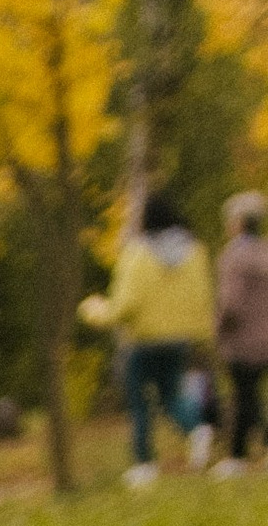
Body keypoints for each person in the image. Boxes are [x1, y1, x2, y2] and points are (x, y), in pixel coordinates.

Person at [83, 192, 217, 482]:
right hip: (179, 339)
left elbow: (125, 305)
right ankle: (196, 428)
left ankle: (144, 465)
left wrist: (94, 311)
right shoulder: (195, 252)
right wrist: (203, 332)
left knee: (139, 402)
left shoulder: (138, 254)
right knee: (172, 395)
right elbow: (203, 297)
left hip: (142, 341)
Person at [212, 193, 268, 472]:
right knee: (251, 396)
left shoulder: (233, 256)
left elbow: (230, 304)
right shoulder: (264, 251)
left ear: (238, 222)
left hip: (242, 339)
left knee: (244, 397)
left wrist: (217, 327)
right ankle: (240, 455)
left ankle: (236, 457)